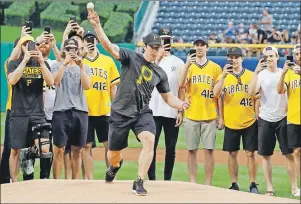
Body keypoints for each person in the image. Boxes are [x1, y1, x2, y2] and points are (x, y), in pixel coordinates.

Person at [87, 10, 190, 196]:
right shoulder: (131, 57)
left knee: (150, 140)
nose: (154, 50)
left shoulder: (159, 73)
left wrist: (181, 104)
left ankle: (139, 181)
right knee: (114, 155)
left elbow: (168, 98)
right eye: (151, 46)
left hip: (142, 112)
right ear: (145, 46)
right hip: (120, 112)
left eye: (157, 47)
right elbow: (110, 47)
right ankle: (115, 167)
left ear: (160, 49)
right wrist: (97, 26)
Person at [248, 46, 299, 196]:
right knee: (266, 155)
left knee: (289, 154)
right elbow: (251, 92)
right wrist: (256, 72)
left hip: (283, 117)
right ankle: (270, 188)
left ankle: (294, 187)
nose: (269, 59)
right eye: (266, 56)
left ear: (277, 57)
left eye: (272, 56)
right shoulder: (261, 75)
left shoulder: (286, 73)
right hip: (265, 118)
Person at [7, 35, 54, 182]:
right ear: (20, 47)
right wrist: (25, 60)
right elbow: (12, 80)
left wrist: (41, 61)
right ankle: (14, 183)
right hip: (18, 113)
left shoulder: (42, 63)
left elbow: (51, 81)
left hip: (37, 113)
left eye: (31, 44)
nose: (29, 46)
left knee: (45, 149)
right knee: (15, 150)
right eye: (25, 44)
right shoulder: (13, 63)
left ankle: (43, 180)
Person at [213, 47, 259, 193]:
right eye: (231, 57)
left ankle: (252, 184)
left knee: (250, 153)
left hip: (249, 121)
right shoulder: (223, 76)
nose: (234, 60)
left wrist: (257, 113)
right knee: (232, 153)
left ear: (241, 59)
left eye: (236, 57)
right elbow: (216, 95)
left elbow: (257, 96)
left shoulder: (251, 75)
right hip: (231, 121)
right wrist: (221, 117)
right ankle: (234, 183)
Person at [179, 38, 223, 185]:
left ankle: (208, 184)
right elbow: (181, 85)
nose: (199, 48)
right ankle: (192, 182)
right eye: (196, 46)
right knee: (192, 151)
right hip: (191, 115)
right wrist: (186, 65)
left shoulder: (216, 68)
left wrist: (220, 116)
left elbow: (219, 95)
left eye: (202, 45)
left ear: (207, 48)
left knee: (209, 151)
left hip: (209, 115)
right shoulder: (189, 67)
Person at [147, 27, 185, 181]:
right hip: (153, 111)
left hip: (171, 110)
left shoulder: (178, 62)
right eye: (163, 40)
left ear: (172, 41)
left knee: (171, 148)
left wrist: (181, 110)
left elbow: (182, 87)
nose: (165, 43)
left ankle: (167, 179)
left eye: (168, 40)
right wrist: (157, 59)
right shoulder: (150, 61)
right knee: (151, 147)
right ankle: (152, 179)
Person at [82, 30, 120, 179]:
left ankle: (111, 175)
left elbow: (113, 87)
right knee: (86, 146)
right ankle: (89, 179)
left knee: (108, 145)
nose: (90, 42)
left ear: (97, 41)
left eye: (92, 39)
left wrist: (116, 108)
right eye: (87, 39)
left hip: (104, 110)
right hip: (85, 110)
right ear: (83, 42)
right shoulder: (80, 61)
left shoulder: (107, 61)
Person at [51, 38, 91, 180]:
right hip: (61, 110)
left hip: (80, 111)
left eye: (74, 49)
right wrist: (65, 63)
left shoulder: (84, 66)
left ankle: (75, 183)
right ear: (64, 50)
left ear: (79, 51)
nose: (72, 51)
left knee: (77, 150)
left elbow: (87, 86)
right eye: (69, 49)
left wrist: (80, 66)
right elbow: (55, 81)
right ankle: (56, 181)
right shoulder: (57, 65)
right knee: (58, 149)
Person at [35, 31, 61, 179]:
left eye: (46, 43)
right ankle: (29, 181)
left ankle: (44, 179)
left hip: (52, 112)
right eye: (40, 43)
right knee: (32, 148)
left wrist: (54, 45)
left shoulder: (52, 63)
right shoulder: (31, 63)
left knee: (49, 149)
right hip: (35, 112)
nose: (44, 45)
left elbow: (62, 62)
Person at [277, 44, 300, 193]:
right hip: (293, 117)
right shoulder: (290, 73)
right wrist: (283, 73)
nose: (299, 55)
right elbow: (280, 90)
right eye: (297, 53)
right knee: (296, 151)